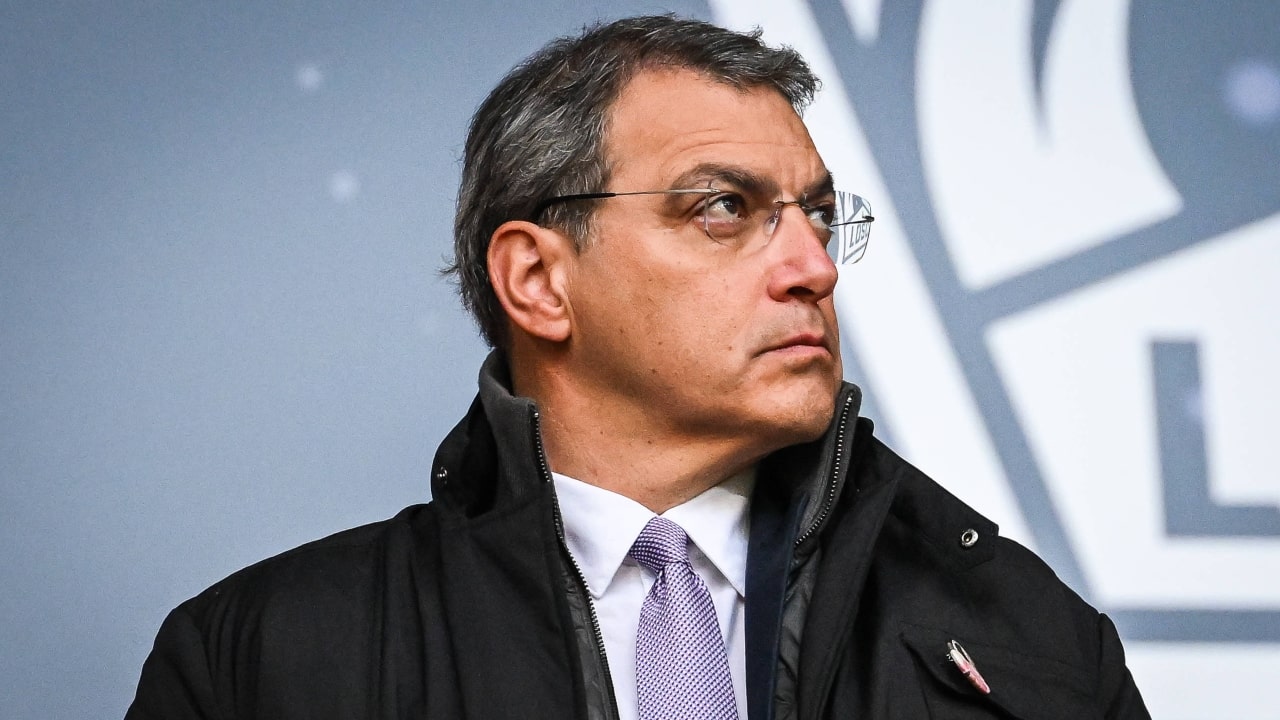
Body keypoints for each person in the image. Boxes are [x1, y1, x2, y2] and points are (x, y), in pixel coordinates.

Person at [126, 15, 1150, 719]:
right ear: (538, 280)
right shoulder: (258, 661)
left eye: (818, 217)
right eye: (723, 208)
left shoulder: (1031, 642)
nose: (812, 269)